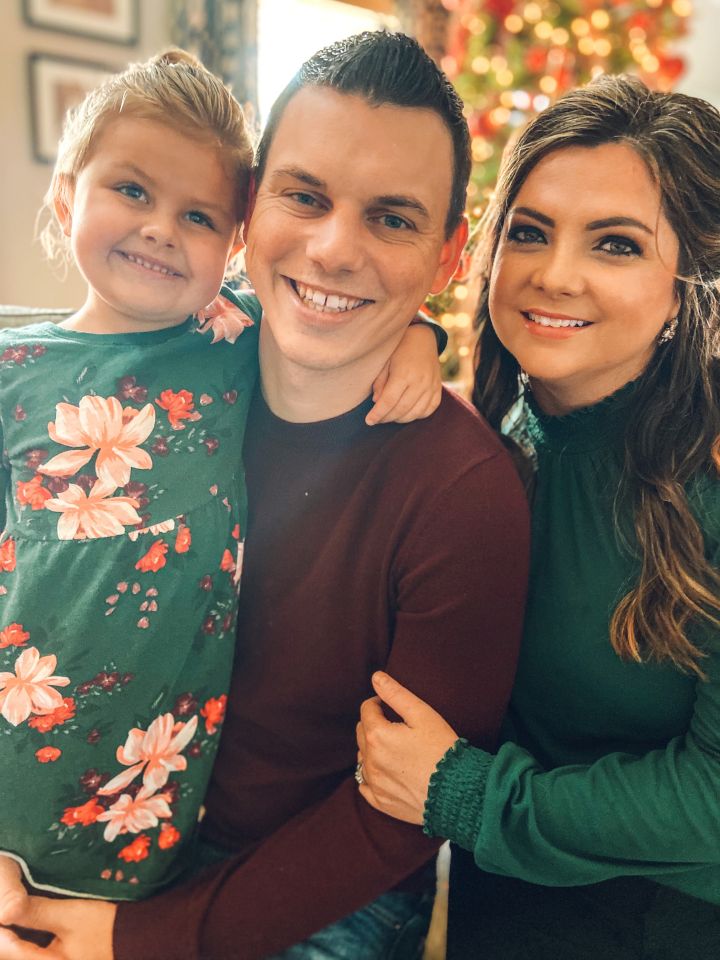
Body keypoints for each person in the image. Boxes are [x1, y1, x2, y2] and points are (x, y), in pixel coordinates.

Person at [0, 31, 530, 960]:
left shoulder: (466, 496)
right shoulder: (169, 371)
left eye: (392, 219)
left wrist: (142, 938)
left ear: (450, 256)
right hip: (85, 830)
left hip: (312, 889)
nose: (333, 250)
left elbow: (399, 814)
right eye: (306, 197)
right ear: (251, 212)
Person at [355, 74, 720, 959]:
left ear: (689, 283)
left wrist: (471, 796)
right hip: (495, 899)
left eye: (616, 245)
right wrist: (408, 330)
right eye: (529, 232)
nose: (554, 274)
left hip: (657, 921)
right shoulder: (489, 436)